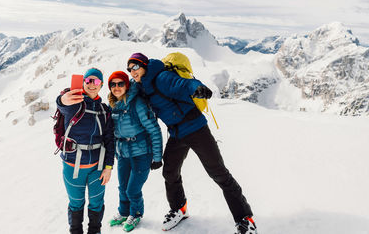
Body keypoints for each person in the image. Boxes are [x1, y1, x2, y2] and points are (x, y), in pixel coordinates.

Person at [126, 53, 258, 234]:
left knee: (219, 173)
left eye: (135, 67)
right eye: (129, 69)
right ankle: (179, 209)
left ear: (145, 66)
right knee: (170, 172)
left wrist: (199, 88)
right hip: (177, 133)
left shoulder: (162, 78)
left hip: (196, 129)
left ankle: (245, 220)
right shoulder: (144, 86)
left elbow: (185, 84)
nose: (132, 72)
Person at [56, 67, 115, 234]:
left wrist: (108, 167)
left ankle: (95, 231)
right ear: (83, 82)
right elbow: (62, 105)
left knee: (96, 203)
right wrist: (62, 99)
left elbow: (110, 140)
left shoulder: (104, 110)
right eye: (88, 80)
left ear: (101, 84)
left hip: (97, 167)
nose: (91, 84)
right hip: (72, 166)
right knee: (76, 204)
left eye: (95, 81)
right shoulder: (75, 104)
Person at [107, 71, 163, 232]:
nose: (116, 87)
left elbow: (154, 129)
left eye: (120, 84)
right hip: (124, 153)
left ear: (127, 85)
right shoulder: (113, 104)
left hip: (142, 153)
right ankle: (124, 212)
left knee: (133, 189)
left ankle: (136, 214)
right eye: (113, 84)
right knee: (123, 187)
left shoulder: (137, 103)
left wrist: (157, 157)